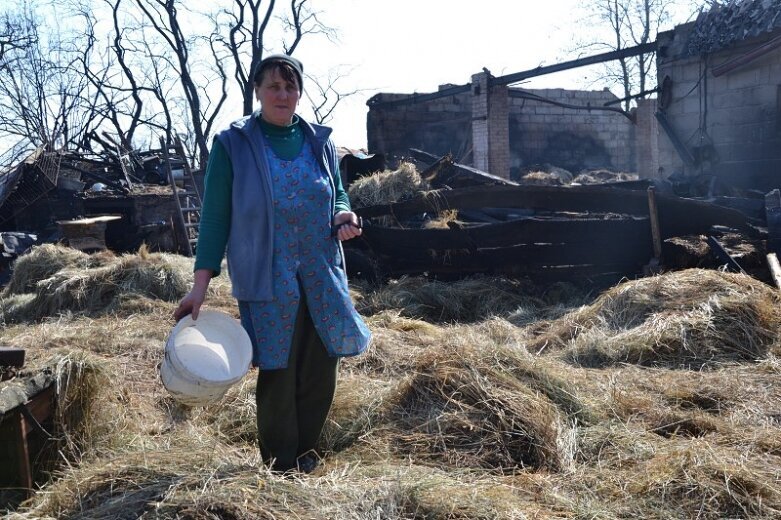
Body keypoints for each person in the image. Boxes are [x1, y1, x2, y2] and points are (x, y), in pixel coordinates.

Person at [173, 54, 371, 473]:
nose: (283, 95)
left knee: (322, 361)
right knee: (278, 366)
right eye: (273, 87)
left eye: (290, 87)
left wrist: (342, 213)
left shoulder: (321, 141)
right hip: (267, 272)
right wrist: (199, 286)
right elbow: (215, 218)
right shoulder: (234, 144)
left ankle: (307, 453)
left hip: (321, 269)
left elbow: (338, 193)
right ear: (258, 91)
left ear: (299, 92)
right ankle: (280, 463)